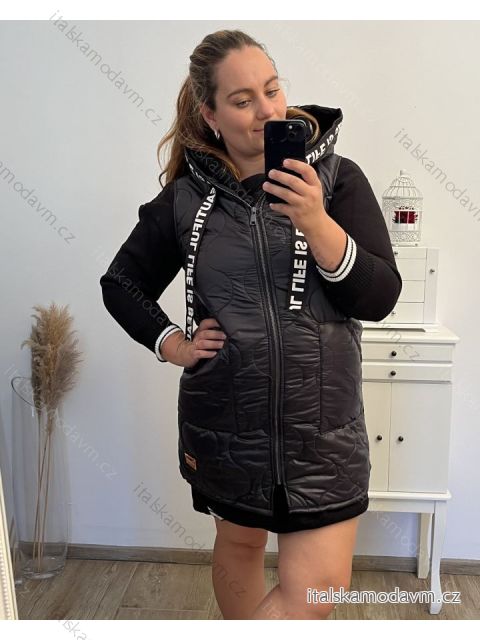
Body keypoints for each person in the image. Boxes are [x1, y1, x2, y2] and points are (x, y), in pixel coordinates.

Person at [99, 29, 402, 620]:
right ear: (210, 116)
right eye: (242, 100)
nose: (267, 110)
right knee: (238, 546)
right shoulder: (185, 201)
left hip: (323, 434)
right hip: (225, 427)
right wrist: (173, 343)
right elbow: (121, 283)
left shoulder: (337, 180)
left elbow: (380, 297)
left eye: (271, 89)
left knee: (317, 592)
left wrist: (315, 221)